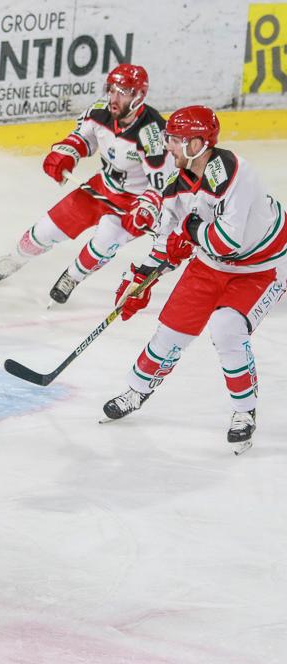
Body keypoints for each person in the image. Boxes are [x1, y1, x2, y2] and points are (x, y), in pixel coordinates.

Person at [102, 105, 286, 451]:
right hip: (210, 264)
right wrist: (142, 277)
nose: (168, 145)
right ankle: (136, 391)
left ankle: (244, 411)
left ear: (198, 144)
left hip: (263, 267)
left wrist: (190, 231)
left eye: (175, 139)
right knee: (171, 330)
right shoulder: (177, 187)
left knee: (227, 328)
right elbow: (166, 241)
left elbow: (226, 242)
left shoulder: (236, 173)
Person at [0, 64, 174, 304]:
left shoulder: (153, 134)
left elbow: (164, 184)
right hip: (100, 186)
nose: (114, 98)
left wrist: (146, 209)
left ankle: (72, 277)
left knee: (103, 242)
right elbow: (83, 138)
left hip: (133, 203)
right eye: (112, 90)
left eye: (123, 92)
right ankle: (15, 258)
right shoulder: (99, 112)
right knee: (45, 230)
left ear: (138, 96)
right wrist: (66, 153)